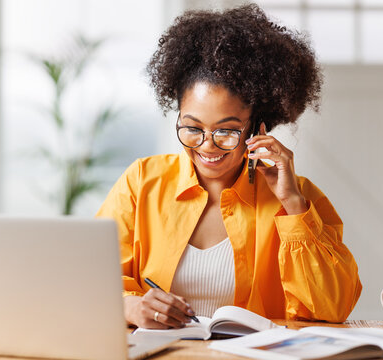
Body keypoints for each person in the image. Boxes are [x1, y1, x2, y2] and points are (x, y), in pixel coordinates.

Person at [96, 3, 361, 330]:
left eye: (226, 131)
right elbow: (86, 279)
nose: (207, 145)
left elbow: (332, 308)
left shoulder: (298, 198)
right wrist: (132, 307)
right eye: (192, 128)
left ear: (256, 129)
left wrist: (293, 206)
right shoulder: (141, 183)